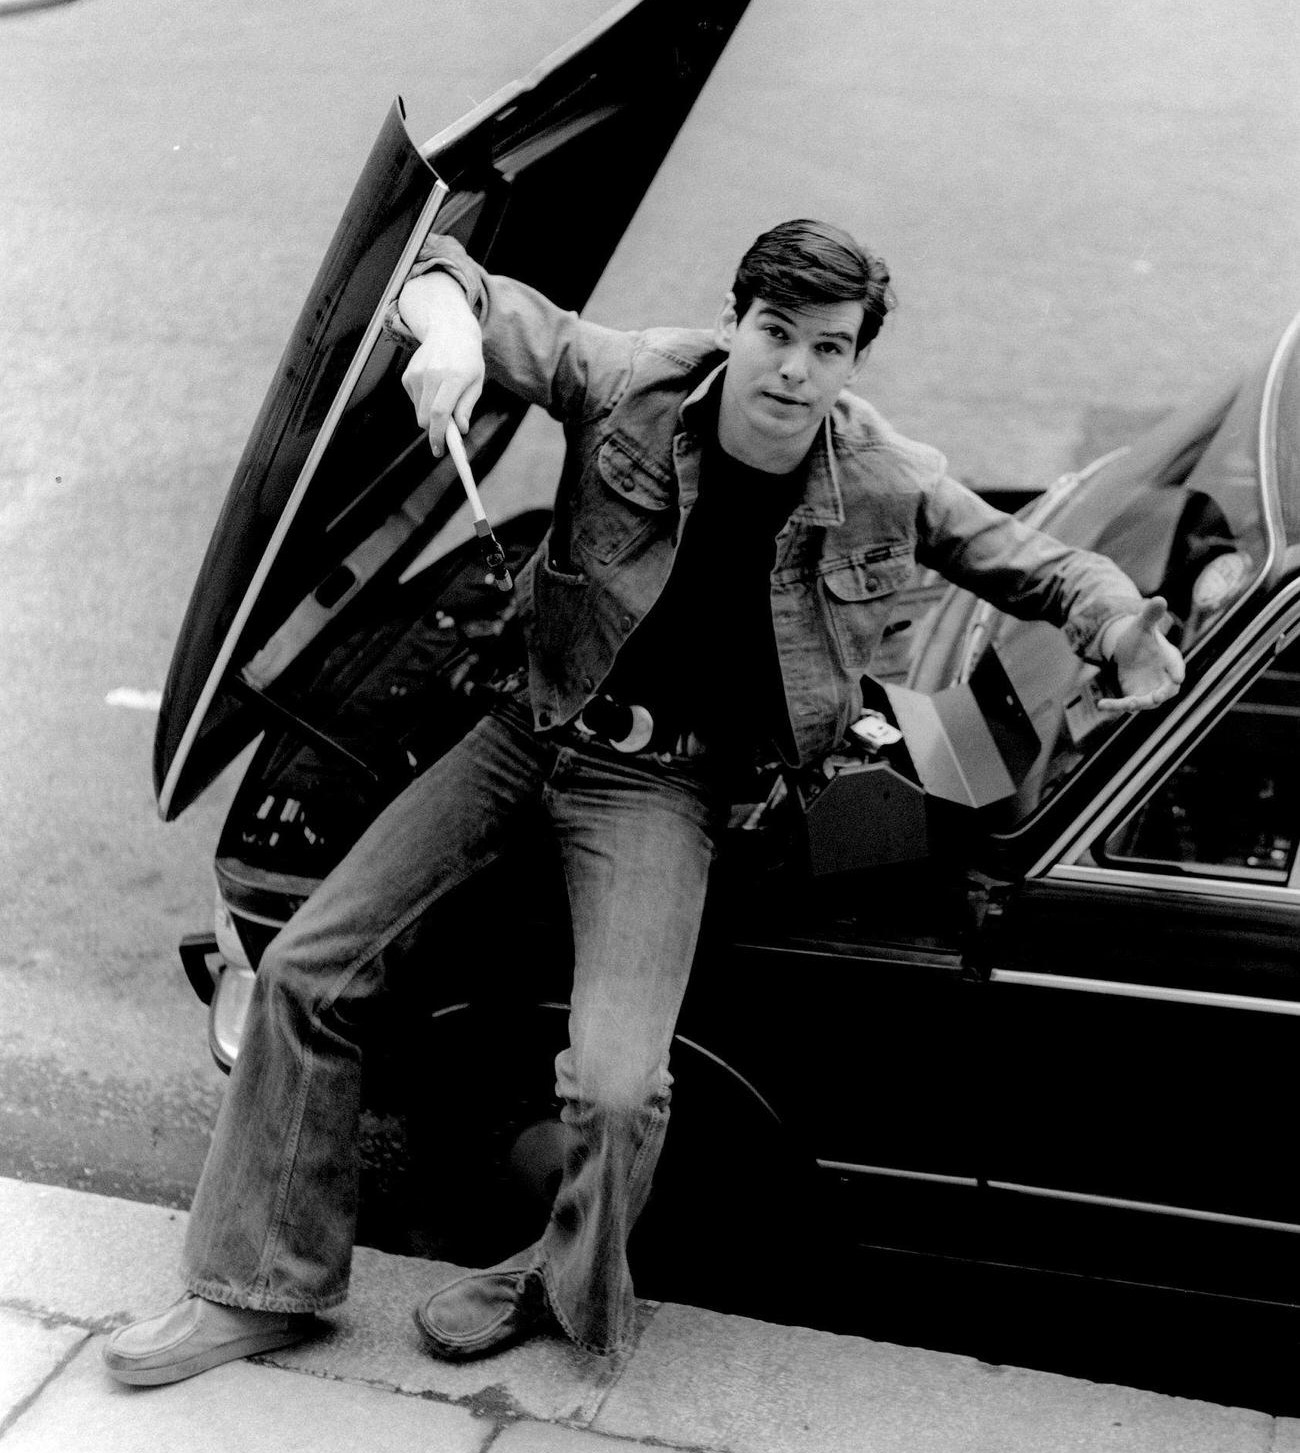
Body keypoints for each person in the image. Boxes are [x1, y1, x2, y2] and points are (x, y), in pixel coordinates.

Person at [104, 220, 1183, 1385]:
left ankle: (552, 1277)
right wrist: (450, 333)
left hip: (660, 784)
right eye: (774, 332)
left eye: (827, 348)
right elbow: (441, 266)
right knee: (305, 968)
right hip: (527, 725)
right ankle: (258, 1288)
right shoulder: (629, 380)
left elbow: (1043, 566)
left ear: (853, 361)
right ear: (732, 322)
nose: (793, 371)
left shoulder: (885, 477)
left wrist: (1121, 630)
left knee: (617, 1092)